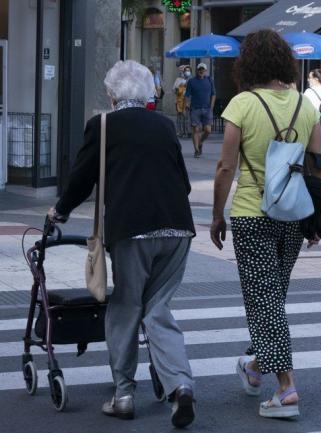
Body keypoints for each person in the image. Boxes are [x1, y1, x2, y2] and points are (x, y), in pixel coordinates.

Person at [47, 60, 196, 428]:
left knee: (126, 307)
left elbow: (82, 178)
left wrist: (59, 212)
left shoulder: (102, 125)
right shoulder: (163, 125)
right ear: (148, 94)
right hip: (178, 228)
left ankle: (124, 394)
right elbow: (184, 182)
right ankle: (180, 386)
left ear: (112, 95)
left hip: (132, 230)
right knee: (158, 308)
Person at [209, 29, 321, 419]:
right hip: (292, 214)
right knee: (273, 296)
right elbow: (317, 168)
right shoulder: (305, 106)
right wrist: (316, 221)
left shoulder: (242, 103)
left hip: (251, 213)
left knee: (265, 299)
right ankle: (255, 366)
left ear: (249, 64)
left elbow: (226, 166)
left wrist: (216, 215)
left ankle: (287, 388)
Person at [185, 62, 216, 158]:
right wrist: (187, 104)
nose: (201, 71)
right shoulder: (191, 81)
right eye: (199, 69)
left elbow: (213, 94)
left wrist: (211, 107)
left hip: (207, 109)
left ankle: (200, 142)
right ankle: (197, 150)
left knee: (208, 130)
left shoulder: (210, 80)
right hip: (195, 109)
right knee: (195, 130)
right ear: (197, 70)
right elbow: (187, 95)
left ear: (206, 71)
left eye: (203, 69)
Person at [174, 65, 191, 138]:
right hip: (179, 101)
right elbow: (174, 90)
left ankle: (187, 132)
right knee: (180, 117)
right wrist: (180, 87)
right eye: (186, 70)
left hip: (187, 101)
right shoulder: (178, 80)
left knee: (186, 117)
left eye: (188, 70)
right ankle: (179, 131)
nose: (187, 72)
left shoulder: (191, 80)